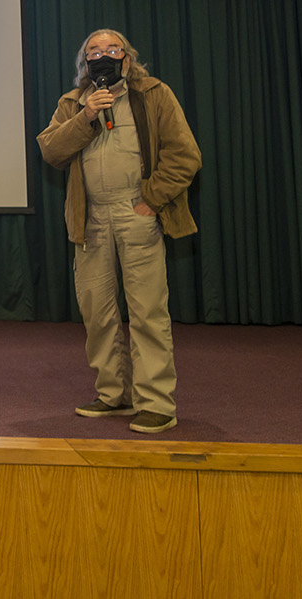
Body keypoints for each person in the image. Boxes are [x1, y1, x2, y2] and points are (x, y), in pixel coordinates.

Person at [36, 29, 200, 435]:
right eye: (94, 51)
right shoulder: (73, 103)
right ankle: (114, 393)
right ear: (84, 62)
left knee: (147, 311)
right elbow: (51, 150)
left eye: (112, 49)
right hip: (90, 218)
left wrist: (152, 200)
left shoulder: (154, 94)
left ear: (127, 58)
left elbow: (185, 155)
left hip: (136, 213)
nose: (103, 55)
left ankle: (156, 403)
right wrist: (86, 116)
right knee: (97, 311)